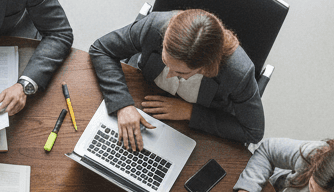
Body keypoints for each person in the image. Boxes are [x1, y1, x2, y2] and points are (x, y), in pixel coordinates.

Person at [89, 8, 263, 148]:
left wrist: (190, 112)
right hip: (142, 95)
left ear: (205, 68)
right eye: (165, 61)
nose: (170, 74)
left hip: (194, 131)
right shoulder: (154, 26)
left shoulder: (238, 73)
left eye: (181, 73)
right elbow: (101, 49)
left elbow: (253, 132)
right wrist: (123, 105)